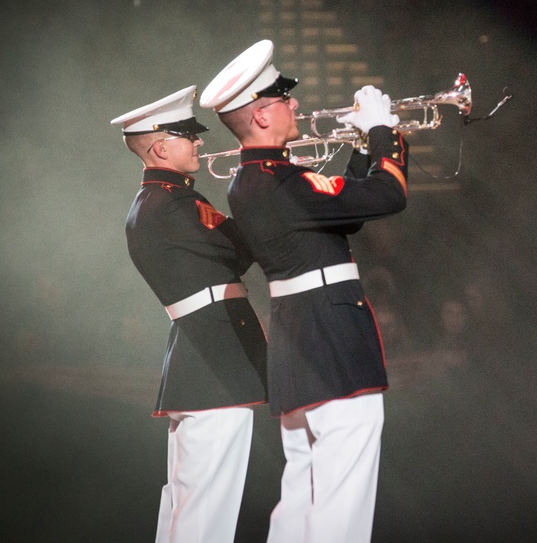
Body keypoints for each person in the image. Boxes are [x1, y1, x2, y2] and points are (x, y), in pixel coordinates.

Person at [200, 40, 408, 542]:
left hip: (298, 346)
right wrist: (382, 133)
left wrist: (359, 151)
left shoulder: (254, 181)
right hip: (332, 341)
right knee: (342, 499)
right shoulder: (280, 184)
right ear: (265, 114)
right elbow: (389, 195)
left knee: (301, 497)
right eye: (285, 99)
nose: (296, 105)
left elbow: (345, 213)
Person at [111, 86, 269, 543]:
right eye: (188, 136)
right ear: (161, 146)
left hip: (201, 361)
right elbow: (244, 247)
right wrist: (266, 177)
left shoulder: (160, 202)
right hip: (215, 364)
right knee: (205, 511)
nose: (199, 143)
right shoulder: (171, 204)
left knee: (187, 504)